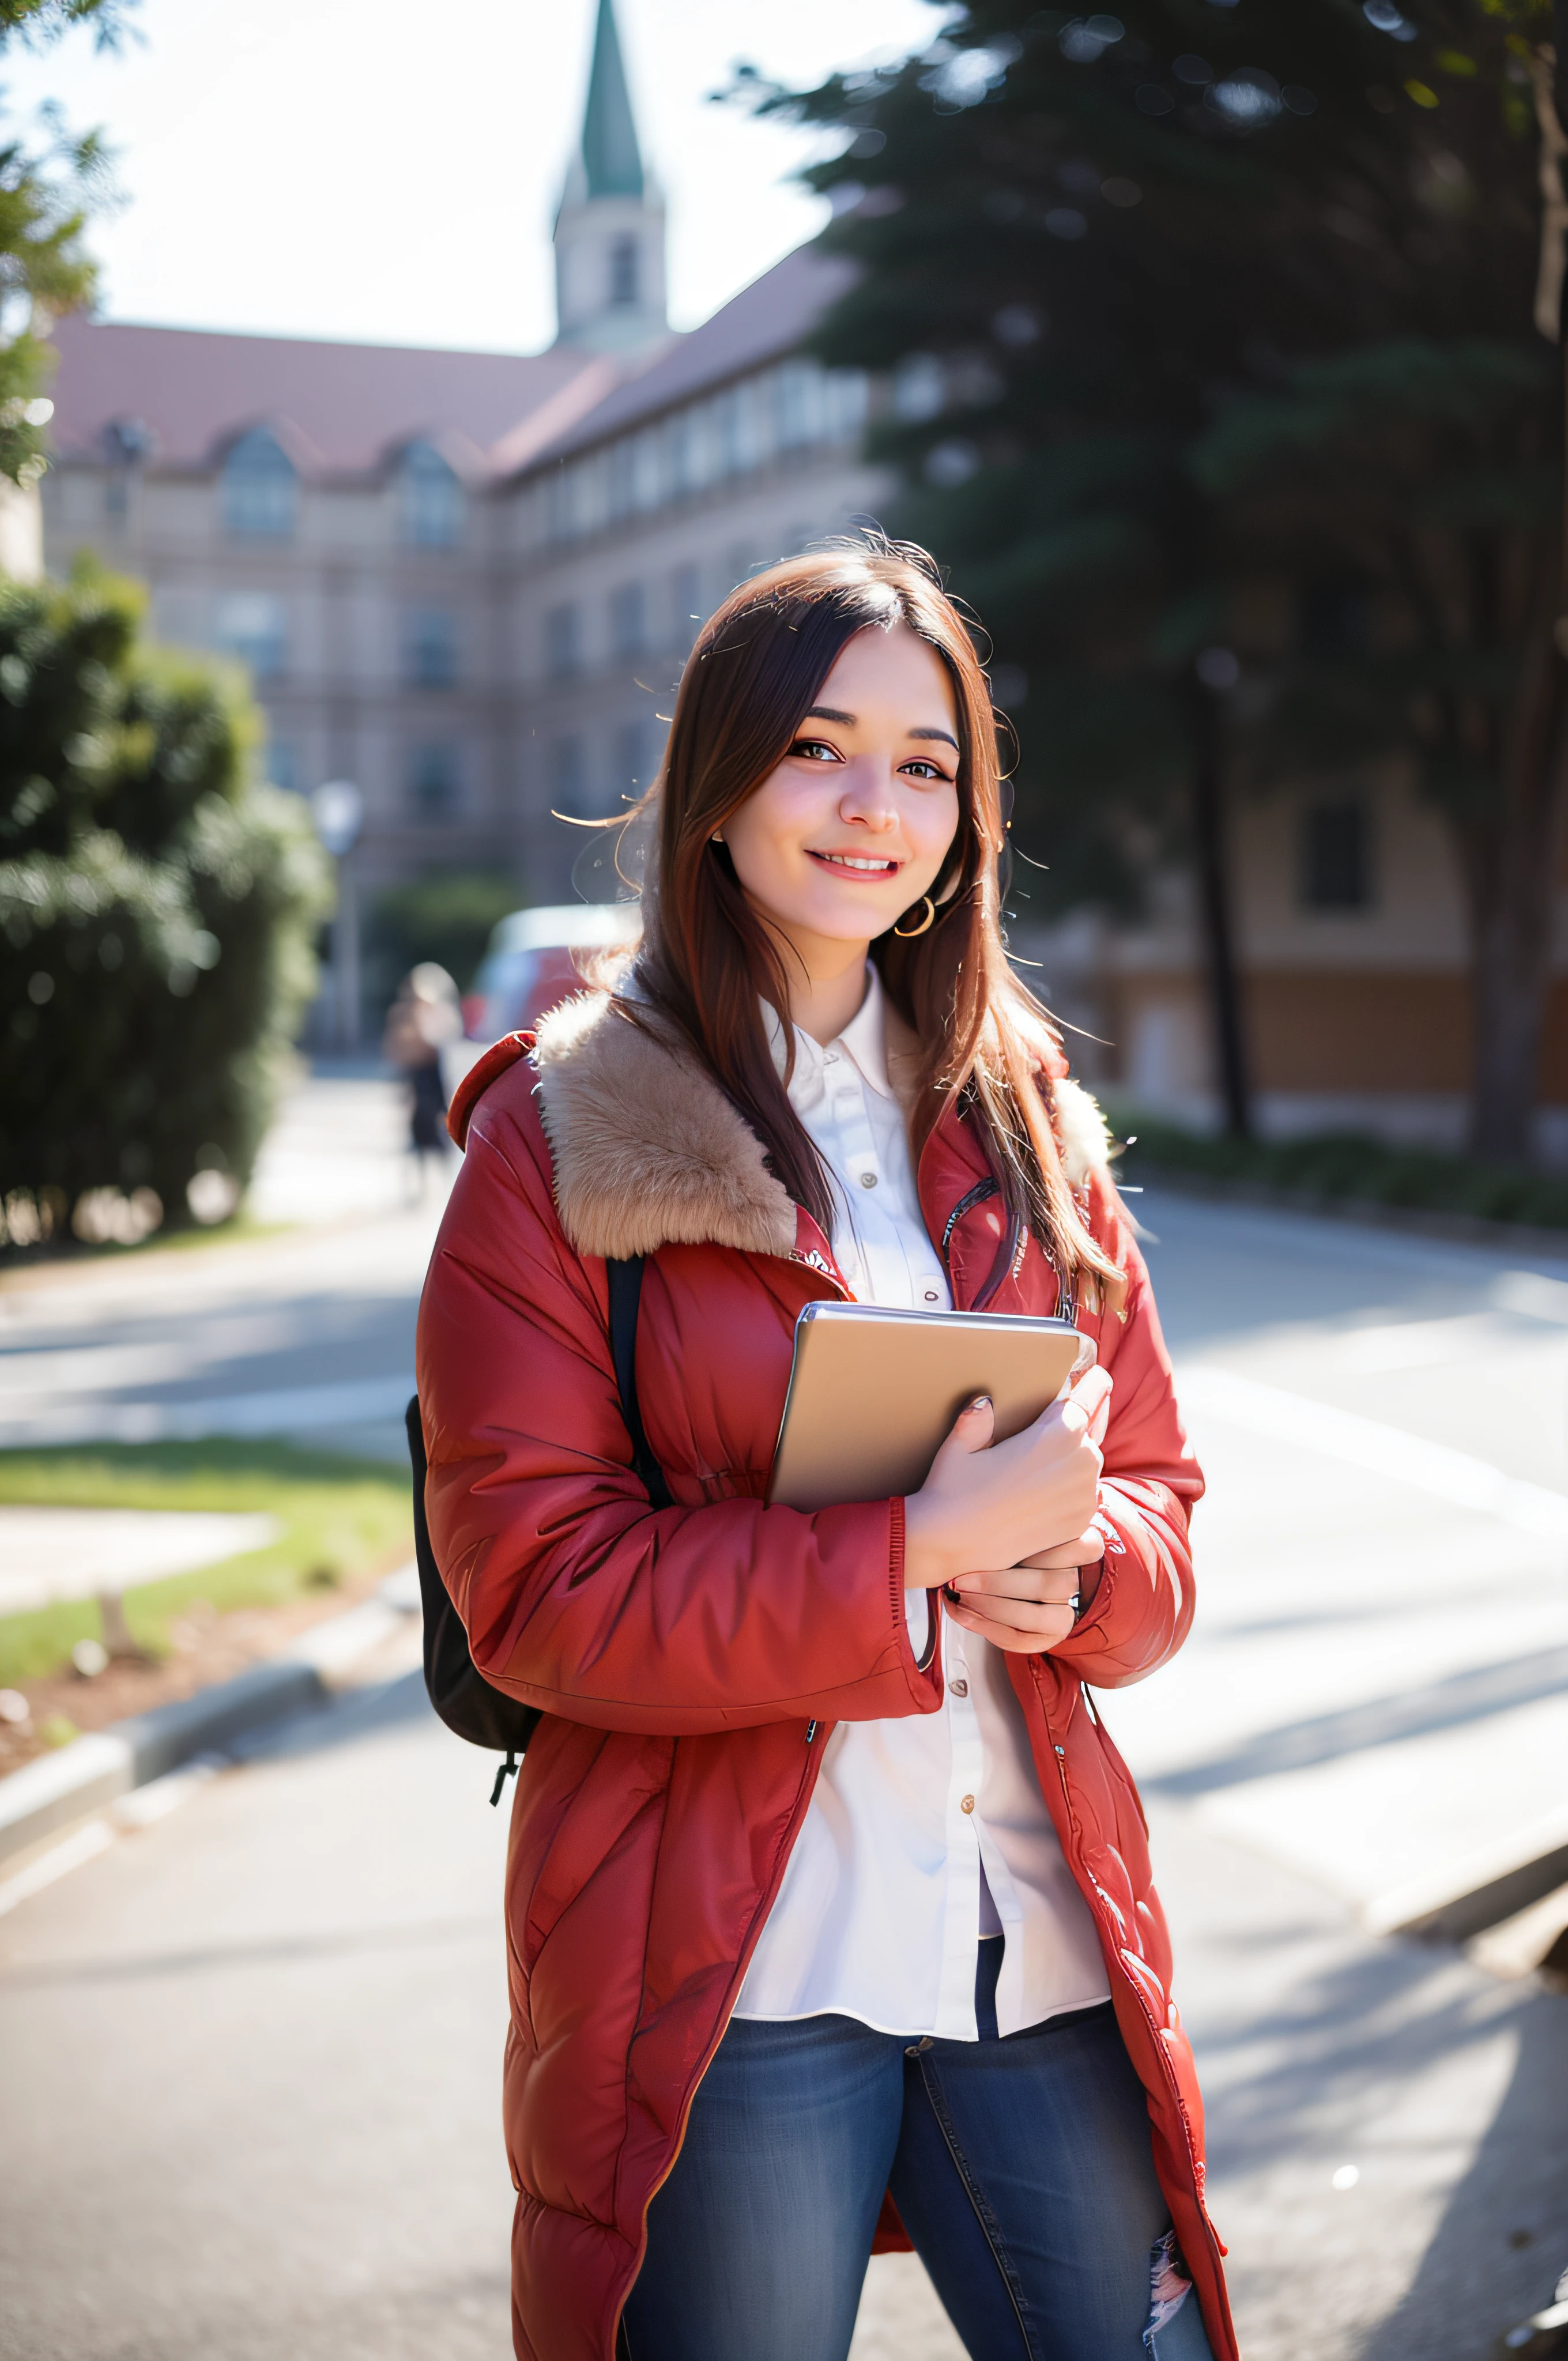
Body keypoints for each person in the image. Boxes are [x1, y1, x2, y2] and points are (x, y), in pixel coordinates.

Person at [417, 539, 1235, 2361]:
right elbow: (537, 1600)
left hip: (1030, 1948)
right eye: (817, 747)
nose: (876, 805)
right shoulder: (552, 1145)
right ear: (714, 787)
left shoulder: (1030, 1132)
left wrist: (1075, 1565)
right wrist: (912, 1553)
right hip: (730, 1979)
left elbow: (1161, 1498)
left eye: (927, 763)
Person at [383, 961, 461, 1193]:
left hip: (433, 1077)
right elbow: (396, 1049)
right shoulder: (402, 1016)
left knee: (443, 1128)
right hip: (416, 1078)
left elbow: (444, 1040)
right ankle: (421, 1184)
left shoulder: (437, 1012)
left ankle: (451, 1182)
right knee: (417, 1133)